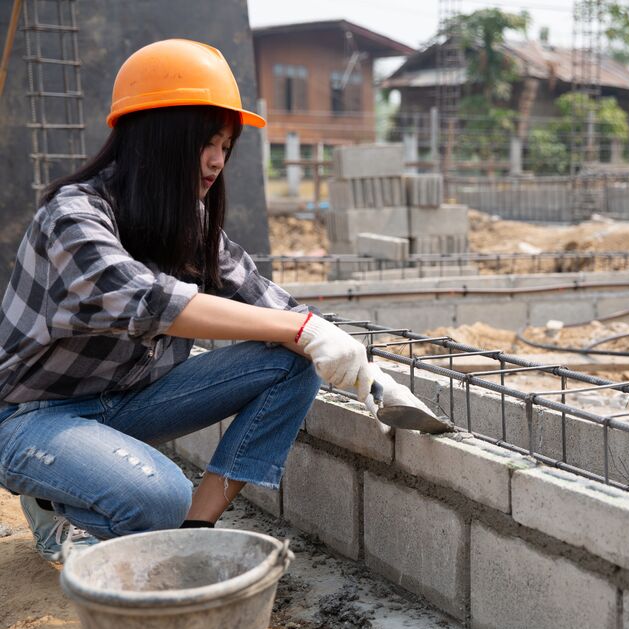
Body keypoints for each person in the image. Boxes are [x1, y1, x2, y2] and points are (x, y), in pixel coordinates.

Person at [0, 39, 414, 561]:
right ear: (155, 139)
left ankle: (196, 527)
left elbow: (272, 307)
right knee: (157, 497)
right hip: (33, 417)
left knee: (290, 362)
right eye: (205, 144)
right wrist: (301, 329)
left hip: (124, 403)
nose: (217, 161)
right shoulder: (74, 217)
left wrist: (368, 374)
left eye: (226, 146)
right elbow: (150, 301)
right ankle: (51, 504)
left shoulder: (186, 220)